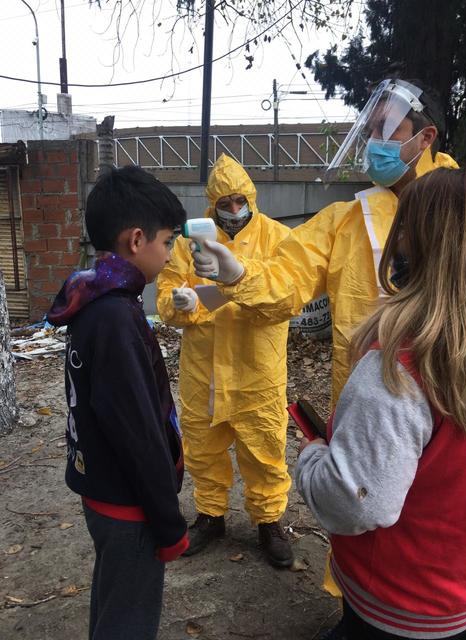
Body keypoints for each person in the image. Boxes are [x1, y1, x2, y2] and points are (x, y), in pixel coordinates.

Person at [190, 78, 458, 408]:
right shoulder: (344, 221)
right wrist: (239, 276)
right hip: (363, 409)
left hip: (452, 402)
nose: (375, 142)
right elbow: (288, 279)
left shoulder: (464, 208)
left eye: (387, 130)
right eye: (371, 131)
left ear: (425, 138)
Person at [296, 167, 466, 640]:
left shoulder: (400, 367)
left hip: (397, 608)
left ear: (414, 244)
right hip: (464, 597)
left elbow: (358, 501)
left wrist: (314, 459)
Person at [47, 166, 189, 640]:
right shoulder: (115, 317)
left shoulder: (95, 297)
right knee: (129, 618)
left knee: (115, 603)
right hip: (130, 505)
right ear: (135, 240)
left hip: (103, 490)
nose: (169, 257)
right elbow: (138, 432)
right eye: (167, 243)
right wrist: (168, 525)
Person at [156, 153, 294, 567]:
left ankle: (269, 522)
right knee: (202, 446)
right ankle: (210, 515)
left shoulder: (278, 238)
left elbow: (287, 298)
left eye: (239, 200)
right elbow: (166, 296)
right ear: (210, 203)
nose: (234, 210)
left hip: (258, 369)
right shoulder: (186, 243)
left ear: (251, 197)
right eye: (225, 203)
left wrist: (239, 283)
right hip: (205, 369)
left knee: (265, 448)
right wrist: (182, 303)